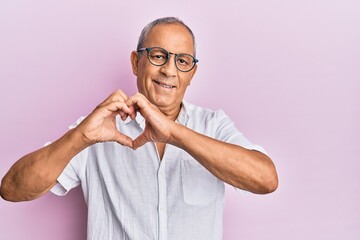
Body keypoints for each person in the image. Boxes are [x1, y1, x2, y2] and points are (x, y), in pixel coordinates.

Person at [0, 17, 278, 240]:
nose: (169, 70)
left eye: (182, 61)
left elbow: (266, 179)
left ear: (191, 74)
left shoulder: (213, 125)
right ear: (136, 62)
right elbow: (12, 189)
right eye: (158, 55)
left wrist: (174, 133)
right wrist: (79, 137)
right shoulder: (98, 128)